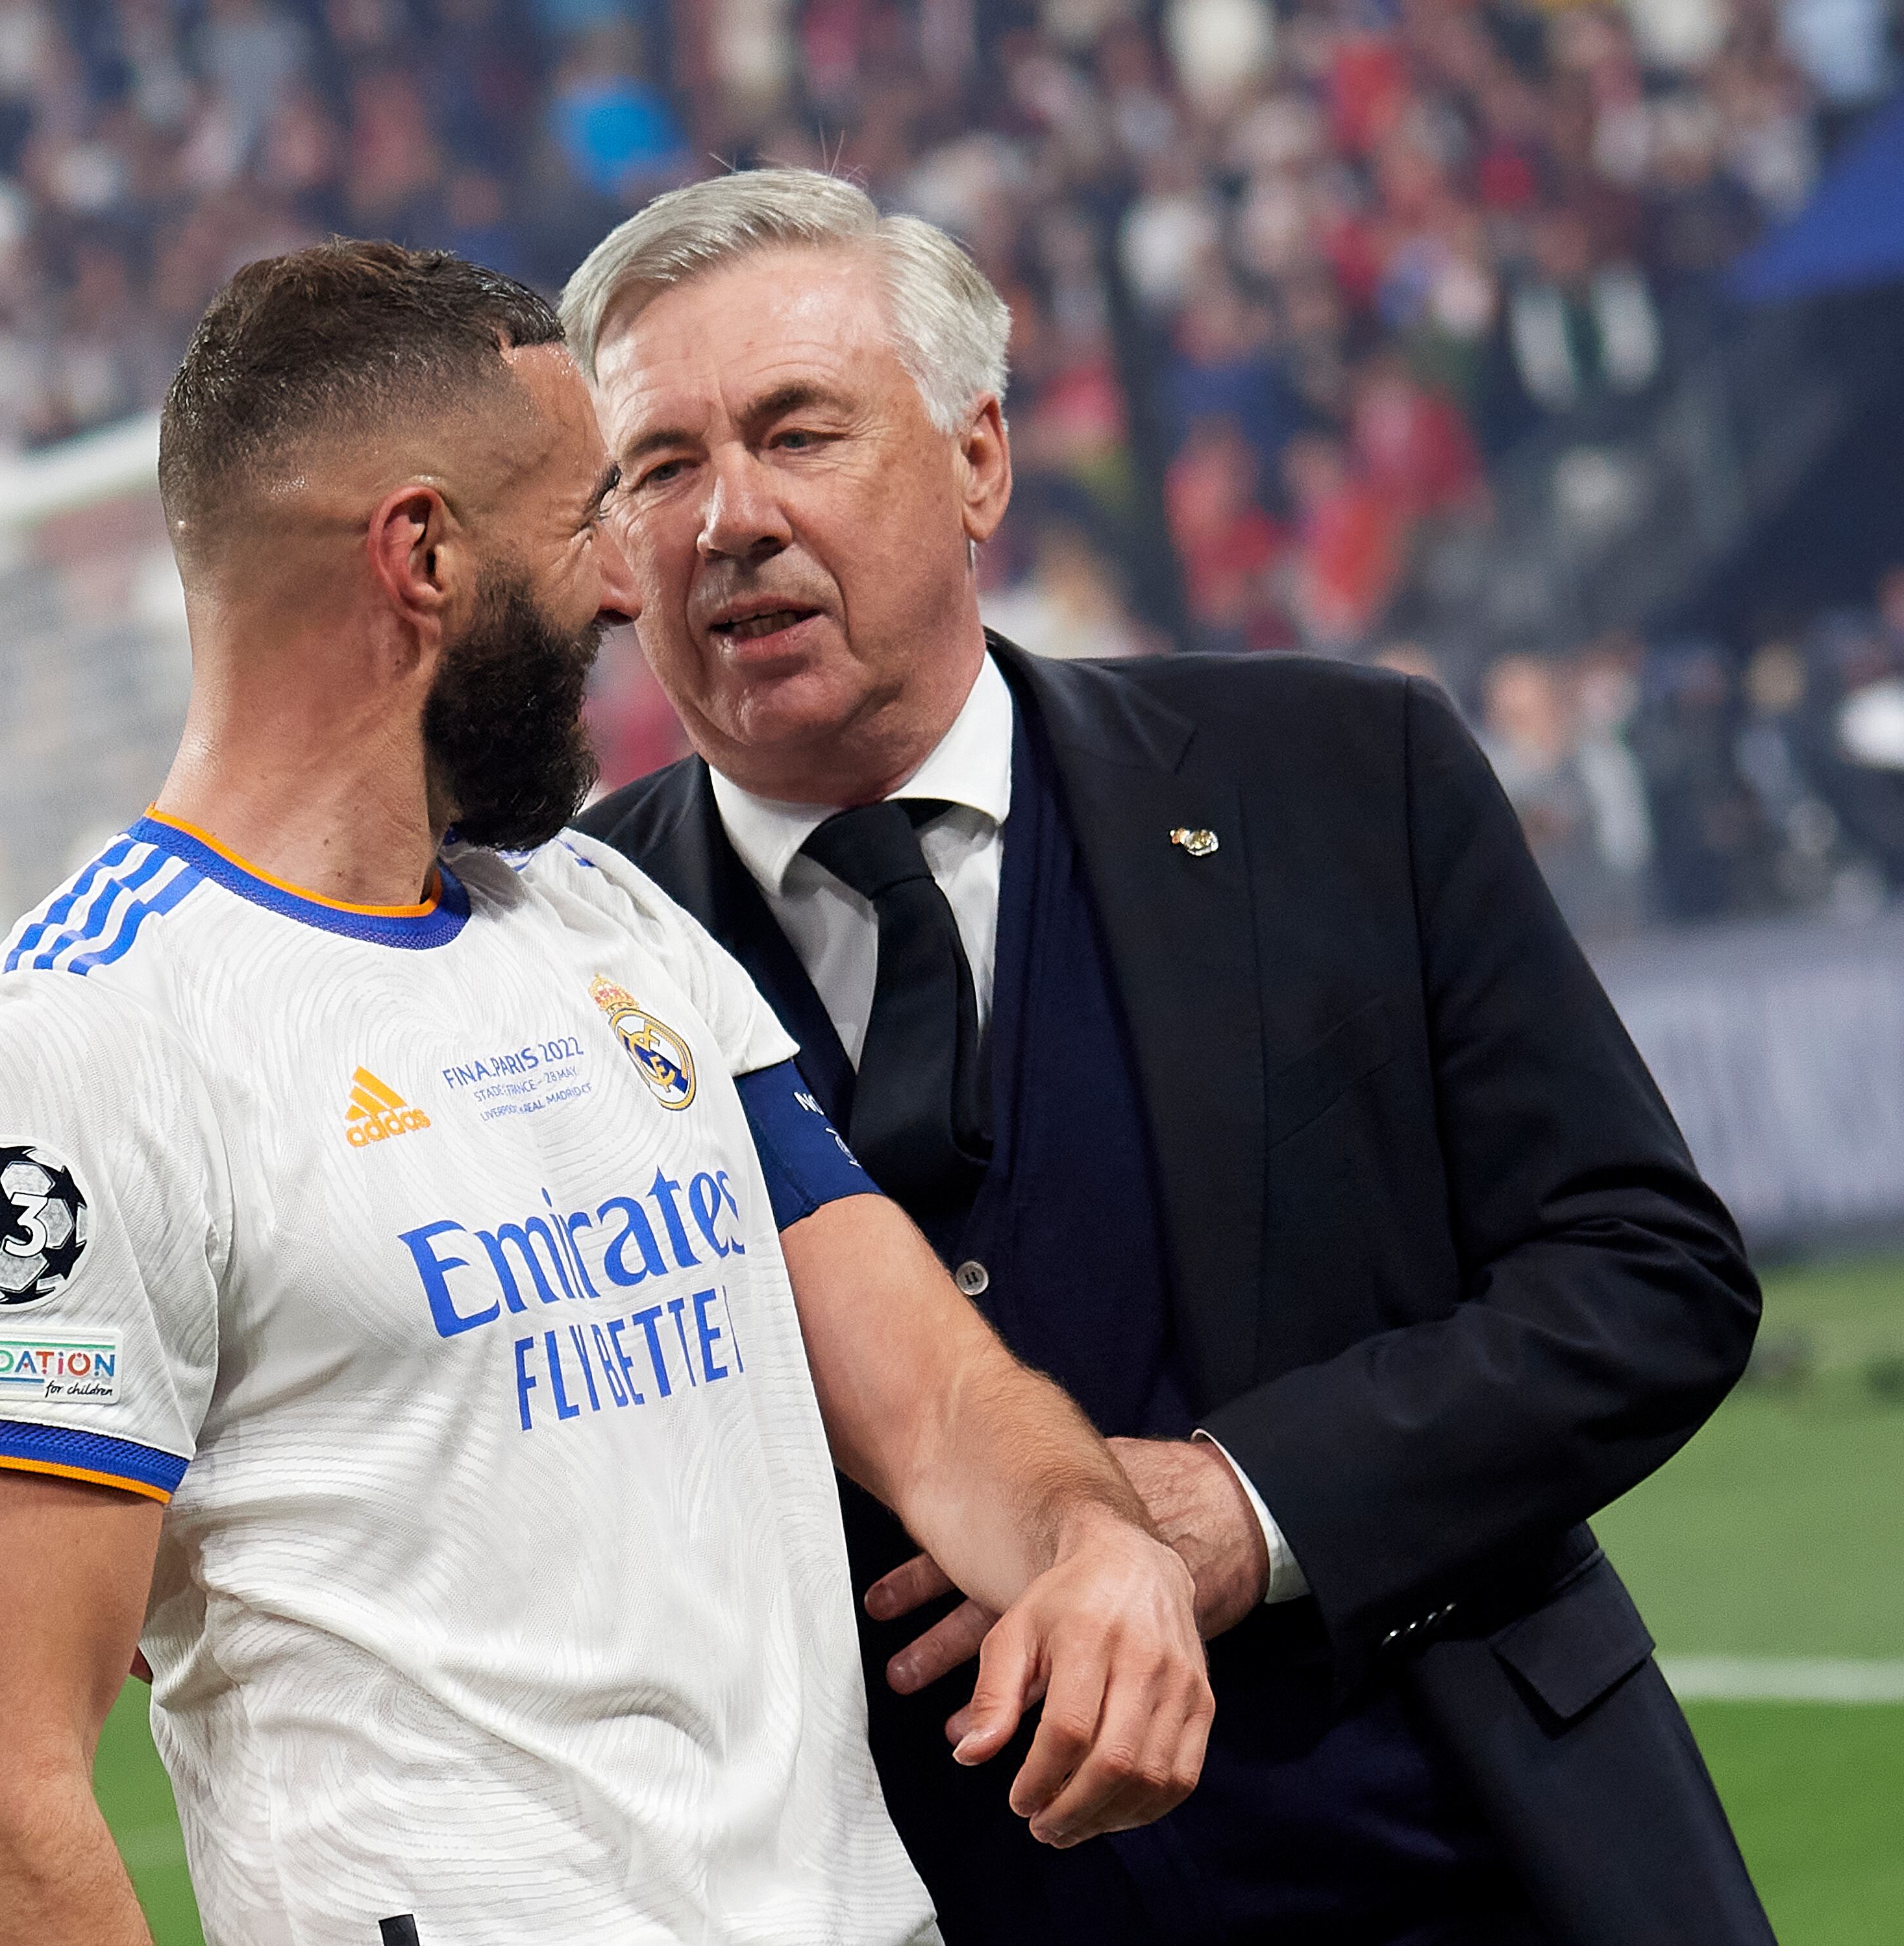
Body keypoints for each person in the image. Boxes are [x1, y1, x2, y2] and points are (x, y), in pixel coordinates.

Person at [0, 241, 1213, 1946]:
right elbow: (0, 1787)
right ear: (420, 555)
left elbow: (933, 1400)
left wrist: (1092, 1546)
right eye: (585, 517)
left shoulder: (604, 922)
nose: (622, 589)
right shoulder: (74, 1061)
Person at [565, 169, 1773, 1946]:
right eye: (659, 467)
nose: (727, 519)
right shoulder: (550, 960)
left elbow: (1647, 1278)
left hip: (1467, 1872)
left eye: (797, 433)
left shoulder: (1345, 778)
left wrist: (1239, 1505)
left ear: (975, 458)